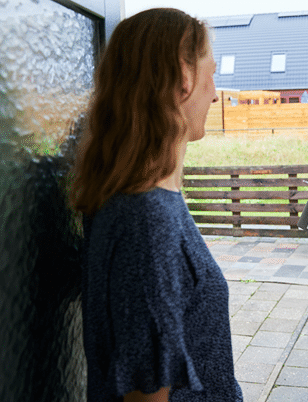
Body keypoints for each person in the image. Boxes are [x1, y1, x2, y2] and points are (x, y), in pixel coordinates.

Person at [70, 9, 243, 402]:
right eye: (211, 72)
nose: (215, 92)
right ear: (184, 76)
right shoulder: (146, 220)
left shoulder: (135, 198)